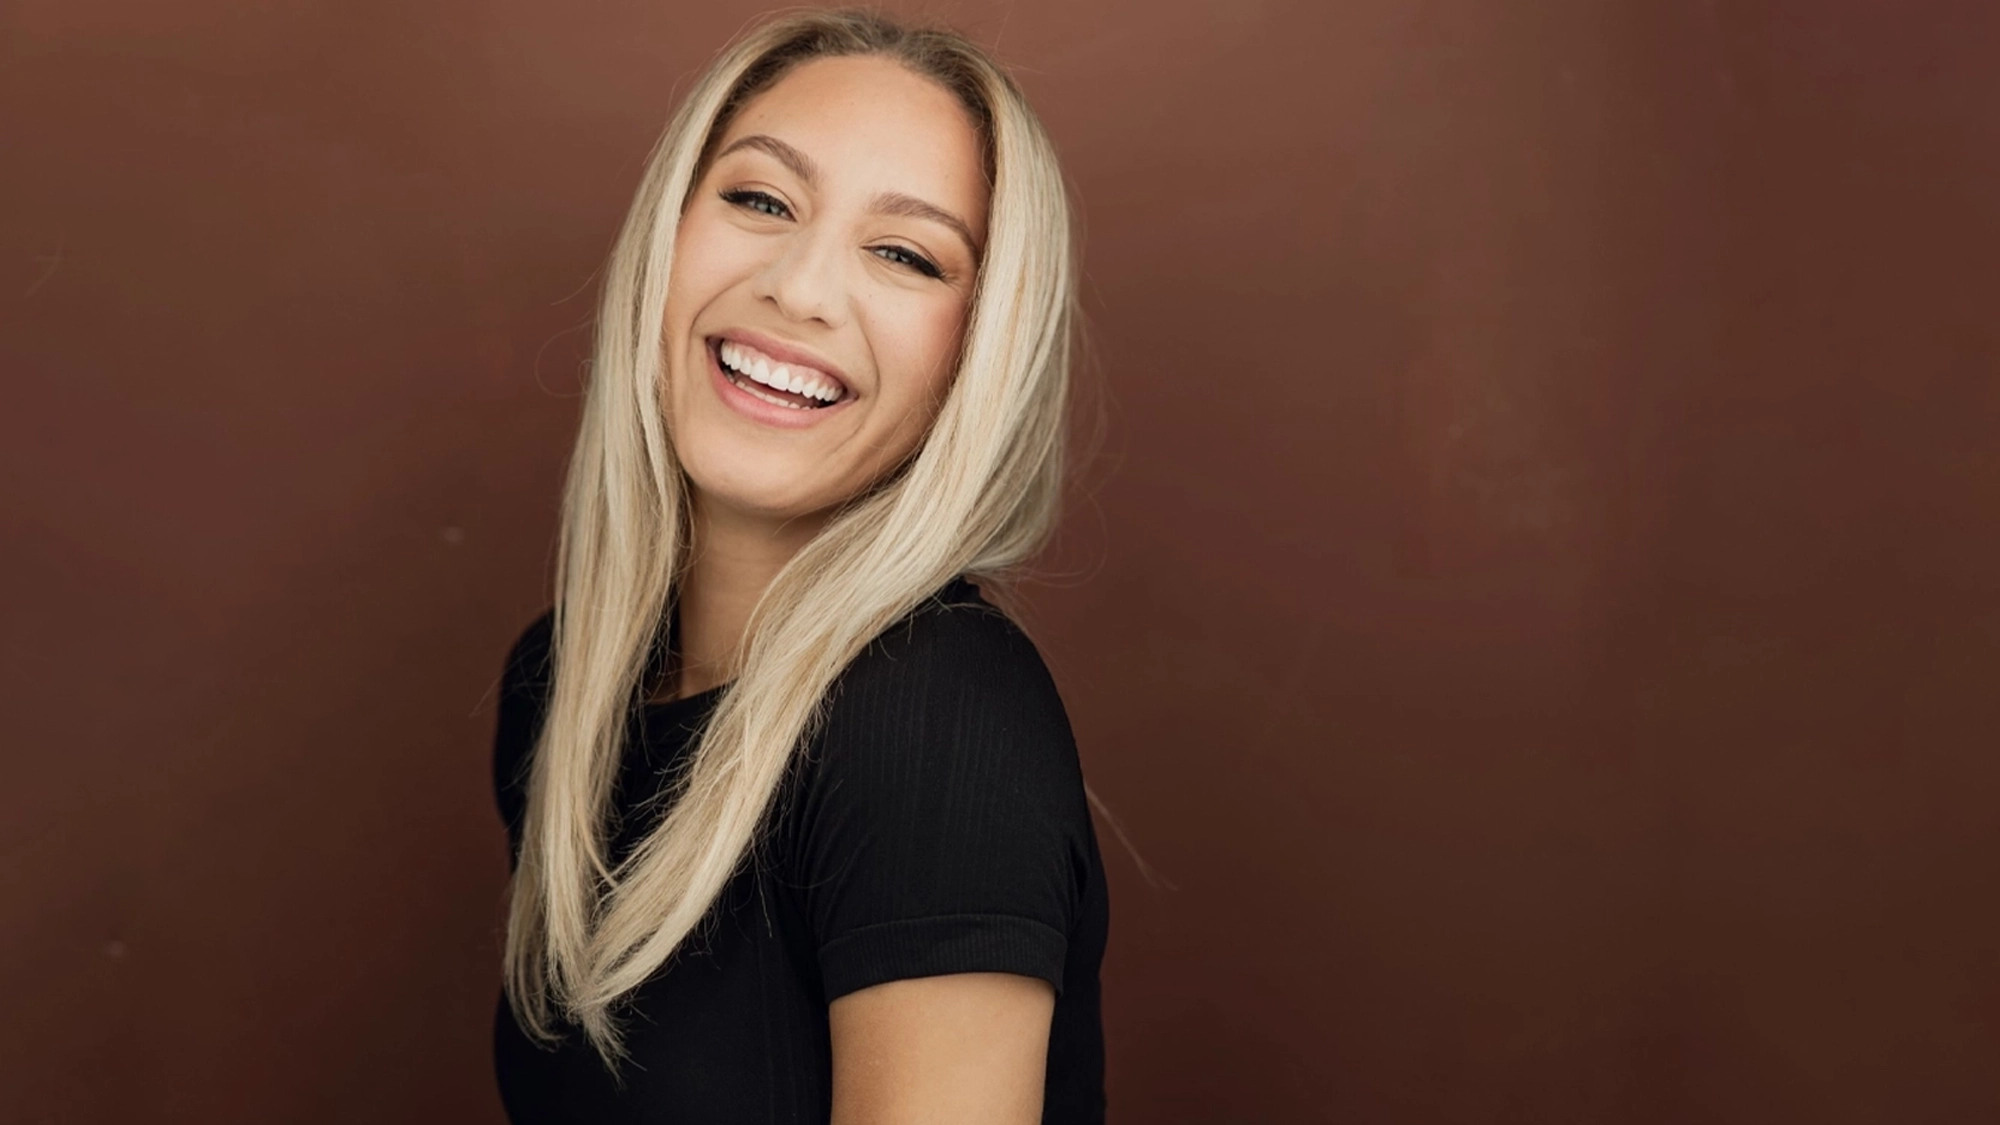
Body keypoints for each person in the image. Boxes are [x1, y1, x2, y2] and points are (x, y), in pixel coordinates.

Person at [488, 9, 1108, 1122]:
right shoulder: (566, 686)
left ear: (977, 353)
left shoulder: (930, 726)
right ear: (666, 234)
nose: (802, 288)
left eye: (905, 254)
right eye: (759, 200)